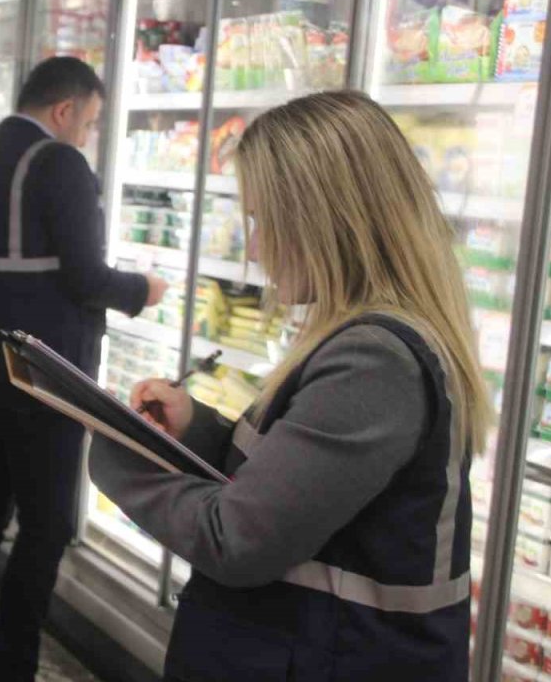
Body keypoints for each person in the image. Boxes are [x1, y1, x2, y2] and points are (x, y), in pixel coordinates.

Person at [90, 91, 488, 681]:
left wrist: (119, 455)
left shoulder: (374, 362)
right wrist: (197, 428)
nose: (254, 249)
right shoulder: (365, 338)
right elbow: (298, 484)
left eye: (262, 221)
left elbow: (238, 540)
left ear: (325, 222)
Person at [0, 56, 168, 682]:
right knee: (47, 525)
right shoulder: (59, 162)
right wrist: (143, 290)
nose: (86, 137)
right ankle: (13, 664)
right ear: (64, 111)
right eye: (88, 123)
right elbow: (87, 278)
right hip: (40, 378)